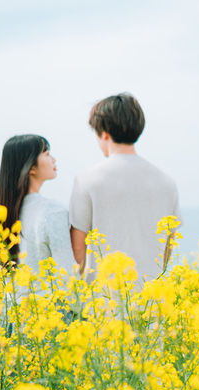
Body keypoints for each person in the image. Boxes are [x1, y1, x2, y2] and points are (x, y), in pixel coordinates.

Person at [69, 93, 181, 281]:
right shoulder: (167, 182)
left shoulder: (86, 180)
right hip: (153, 303)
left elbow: (77, 250)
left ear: (104, 133)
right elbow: (168, 246)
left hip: (102, 304)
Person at [0, 134, 75, 273]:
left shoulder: (0, 215)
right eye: (47, 154)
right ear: (31, 168)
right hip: (47, 295)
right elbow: (66, 273)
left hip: (11, 295)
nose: (54, 159)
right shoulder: (53, 212)